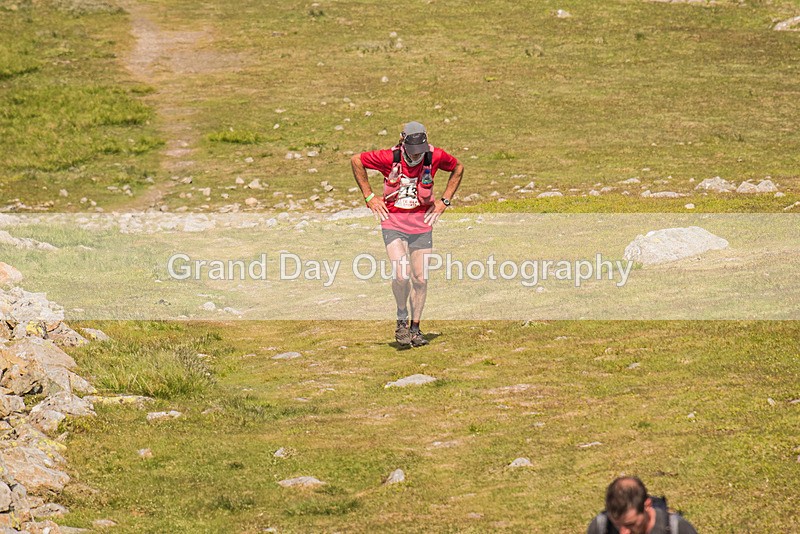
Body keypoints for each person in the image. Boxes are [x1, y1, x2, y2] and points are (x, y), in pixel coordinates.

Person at [350, 121, 464, 347]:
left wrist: (444, 201)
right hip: (393, 222)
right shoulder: (387, 157)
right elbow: (356, 161)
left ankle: (415, 329)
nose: (416, 157)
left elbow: (458, 168)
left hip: (422, 224)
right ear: (403, 141)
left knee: (420, 279)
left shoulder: (436, 156)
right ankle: (401, 318)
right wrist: (369, 197)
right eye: (412, 153)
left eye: (420, 152)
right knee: (402, 274)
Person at [587, 476, 698, 534]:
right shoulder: (601, 527)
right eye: (616, 524)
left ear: (647, 505)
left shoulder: (677, 529)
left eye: (630, 524)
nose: (623, 532)